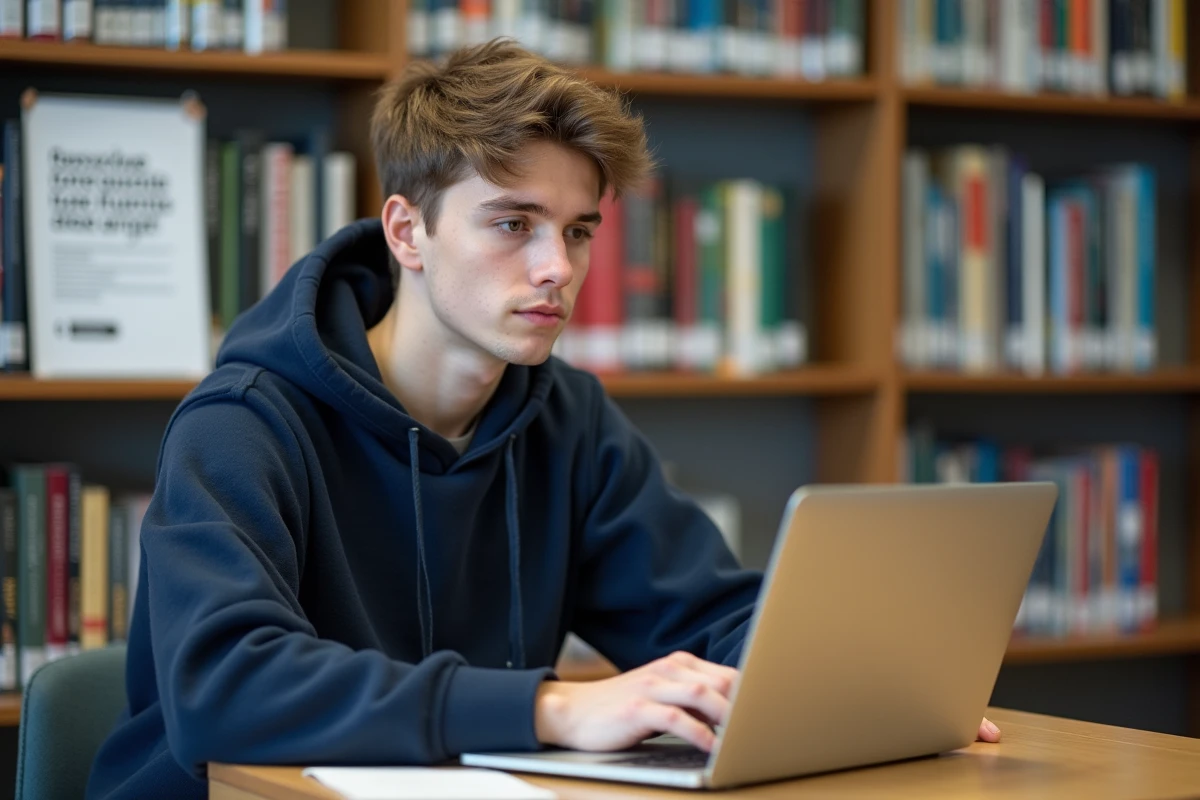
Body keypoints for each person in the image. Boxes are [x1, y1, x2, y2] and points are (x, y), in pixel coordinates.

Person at [86, 39, 1000, 799]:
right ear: (407, 232)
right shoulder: (242, 424)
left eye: (577, 230)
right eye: (512, 224)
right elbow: (224, 686)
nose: (557, 267)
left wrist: (859, 682)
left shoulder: (565, 416)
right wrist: (552, 709)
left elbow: (706, 610)